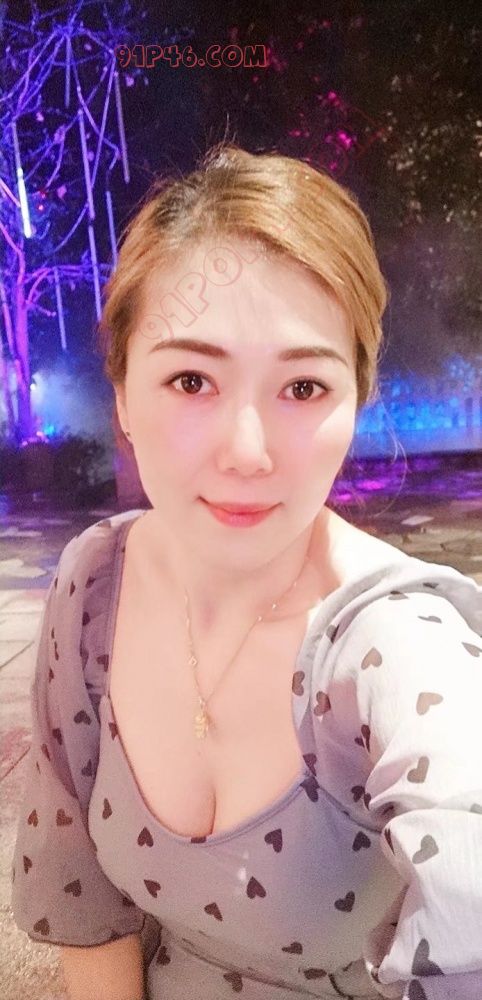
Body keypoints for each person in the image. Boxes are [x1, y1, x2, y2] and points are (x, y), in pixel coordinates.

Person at [11, 143, 482, 1000]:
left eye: (302, 389)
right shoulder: (96, 582)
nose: (248, 452)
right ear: (122, 395)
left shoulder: (397, 650)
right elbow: (80, 892)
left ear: (355, 401)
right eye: (192, 379)